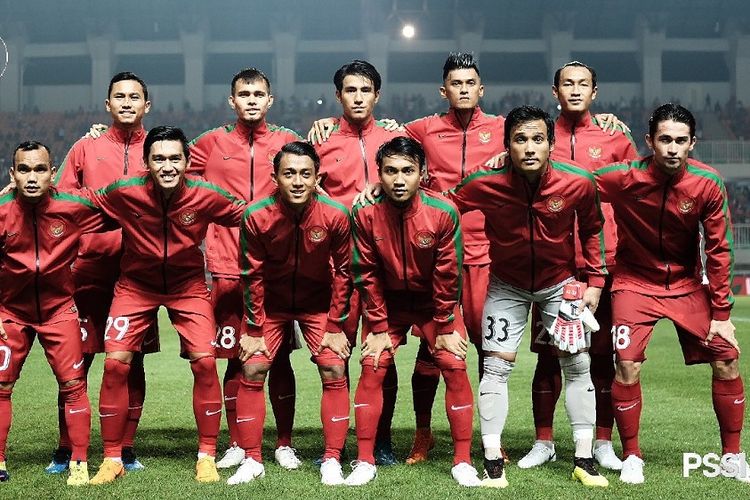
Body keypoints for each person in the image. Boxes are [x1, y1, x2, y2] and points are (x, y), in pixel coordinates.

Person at [446, 105, 609, 488]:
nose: (530, 147)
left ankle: (584, 459)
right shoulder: (485, 182)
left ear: (552, 144)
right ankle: (491, 463)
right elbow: (444, 204)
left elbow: (592, 229)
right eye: (520, 139)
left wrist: (596, 282)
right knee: (496, 368)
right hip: (506, 284)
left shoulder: (578, 182)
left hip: (560, 285)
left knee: (577, 365)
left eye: (538, 139)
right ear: (507, 145)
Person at [593, 103, 748, 484]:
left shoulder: (707, 183)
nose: (673, 148)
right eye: (665, 140)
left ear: (692, 143)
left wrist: (723, 317)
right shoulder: (623, 177)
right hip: (633, 282)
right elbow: (568, 180)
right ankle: (632, 456)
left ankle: (731, 455)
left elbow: (720, 250)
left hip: (686, 285)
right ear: (650, 142)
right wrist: (508, 158)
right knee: (626, 365)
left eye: (681, 141)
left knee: (726, 358)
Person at [88, 126, 246, 485]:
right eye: (159, 159)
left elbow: (250, 215)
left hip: (187, 286)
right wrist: (22, 197)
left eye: (175, 158)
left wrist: (295, 200)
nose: (168, 166)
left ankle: (206, 455)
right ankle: (112, 458)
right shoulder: (124, 191)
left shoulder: (205, 195)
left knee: (206, 363)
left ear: (188, 162)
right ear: (146, 163)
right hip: (135, 286)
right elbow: (83, 202)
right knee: (115, 364)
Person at [519, 61, 639, 472]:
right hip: (552, 265)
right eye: (566, 84)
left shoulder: (615, 140)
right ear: (555, 91)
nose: (574, 90)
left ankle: (603, 442)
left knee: (601, 355)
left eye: (582, 84)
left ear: (595, 91)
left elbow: (634, 198)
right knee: (549, 355)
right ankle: (544, 441)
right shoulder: (538, 138)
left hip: (601, 266)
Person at [346, 137, 480, 487]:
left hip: (431, 305)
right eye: (390, 171)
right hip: (388, 305)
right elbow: (366, 273)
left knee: (453, 363)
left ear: (423, 173)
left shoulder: (443, 212)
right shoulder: (364, 214)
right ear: (379, 175)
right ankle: (365, 460)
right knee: (372, 364)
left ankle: (462, 460)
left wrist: (446, 325)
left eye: (407, 170)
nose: (399, 179)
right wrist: (376, 326)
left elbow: (448, 274)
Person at [188, 68, 304, 471]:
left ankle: (284, 443)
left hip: (278, 270)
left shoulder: (289, 141)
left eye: (258, 93)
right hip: (226, 268)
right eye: (244, 93)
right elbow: (178, 186)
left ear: (269, 100)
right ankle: (238, 442)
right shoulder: (207, 144)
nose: (251, 99)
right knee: (237, 358)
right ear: (231, 100)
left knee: (280, 359)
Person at [50, 71, 159, 474]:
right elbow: (59, 200)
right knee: (75, 363)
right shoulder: (85, 147)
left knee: (131, 362)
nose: (127, 102)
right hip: (87, 273)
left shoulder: (161, 148)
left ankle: (126, 448)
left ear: (147, 105)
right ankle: (66, 447)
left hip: (138, 276)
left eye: (135, 97)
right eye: (119, 97)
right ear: (107, 105)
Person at [229, 142, 352, 486]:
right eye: (289, 174)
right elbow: (251, 274)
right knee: (252, 367)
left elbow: (345, 272)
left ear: (317, 178)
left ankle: (331, 459)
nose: (297, 181)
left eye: (305, 174)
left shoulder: (336, 214)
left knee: (333, 365)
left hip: (317, 304)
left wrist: (336, 324)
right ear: (275, 178)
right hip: (272, 304)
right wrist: (253, 328)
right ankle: (253, 459)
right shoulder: (256, 215)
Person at [0, 141, 114, 486]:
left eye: (39, 170)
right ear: (12, 174)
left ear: (53, 174)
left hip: (59, 311)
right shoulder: (1, 210)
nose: (31, 177)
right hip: (10, 313)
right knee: (1, 387)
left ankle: (78, 459)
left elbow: (124, 205)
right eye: (24, 170)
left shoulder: (74, 206)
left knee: (73, 386)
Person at [312, 60, 404, 464]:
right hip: (338, 267)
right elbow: (304, 194)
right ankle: (339, 441)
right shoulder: (320, 140)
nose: (358, 97)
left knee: (382, 353)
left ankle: (380, 439)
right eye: (350, 90)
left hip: (386, 265)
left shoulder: (395, 136)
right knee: (337, 355)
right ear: (339, 95)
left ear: (376, 95)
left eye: (365, 90)